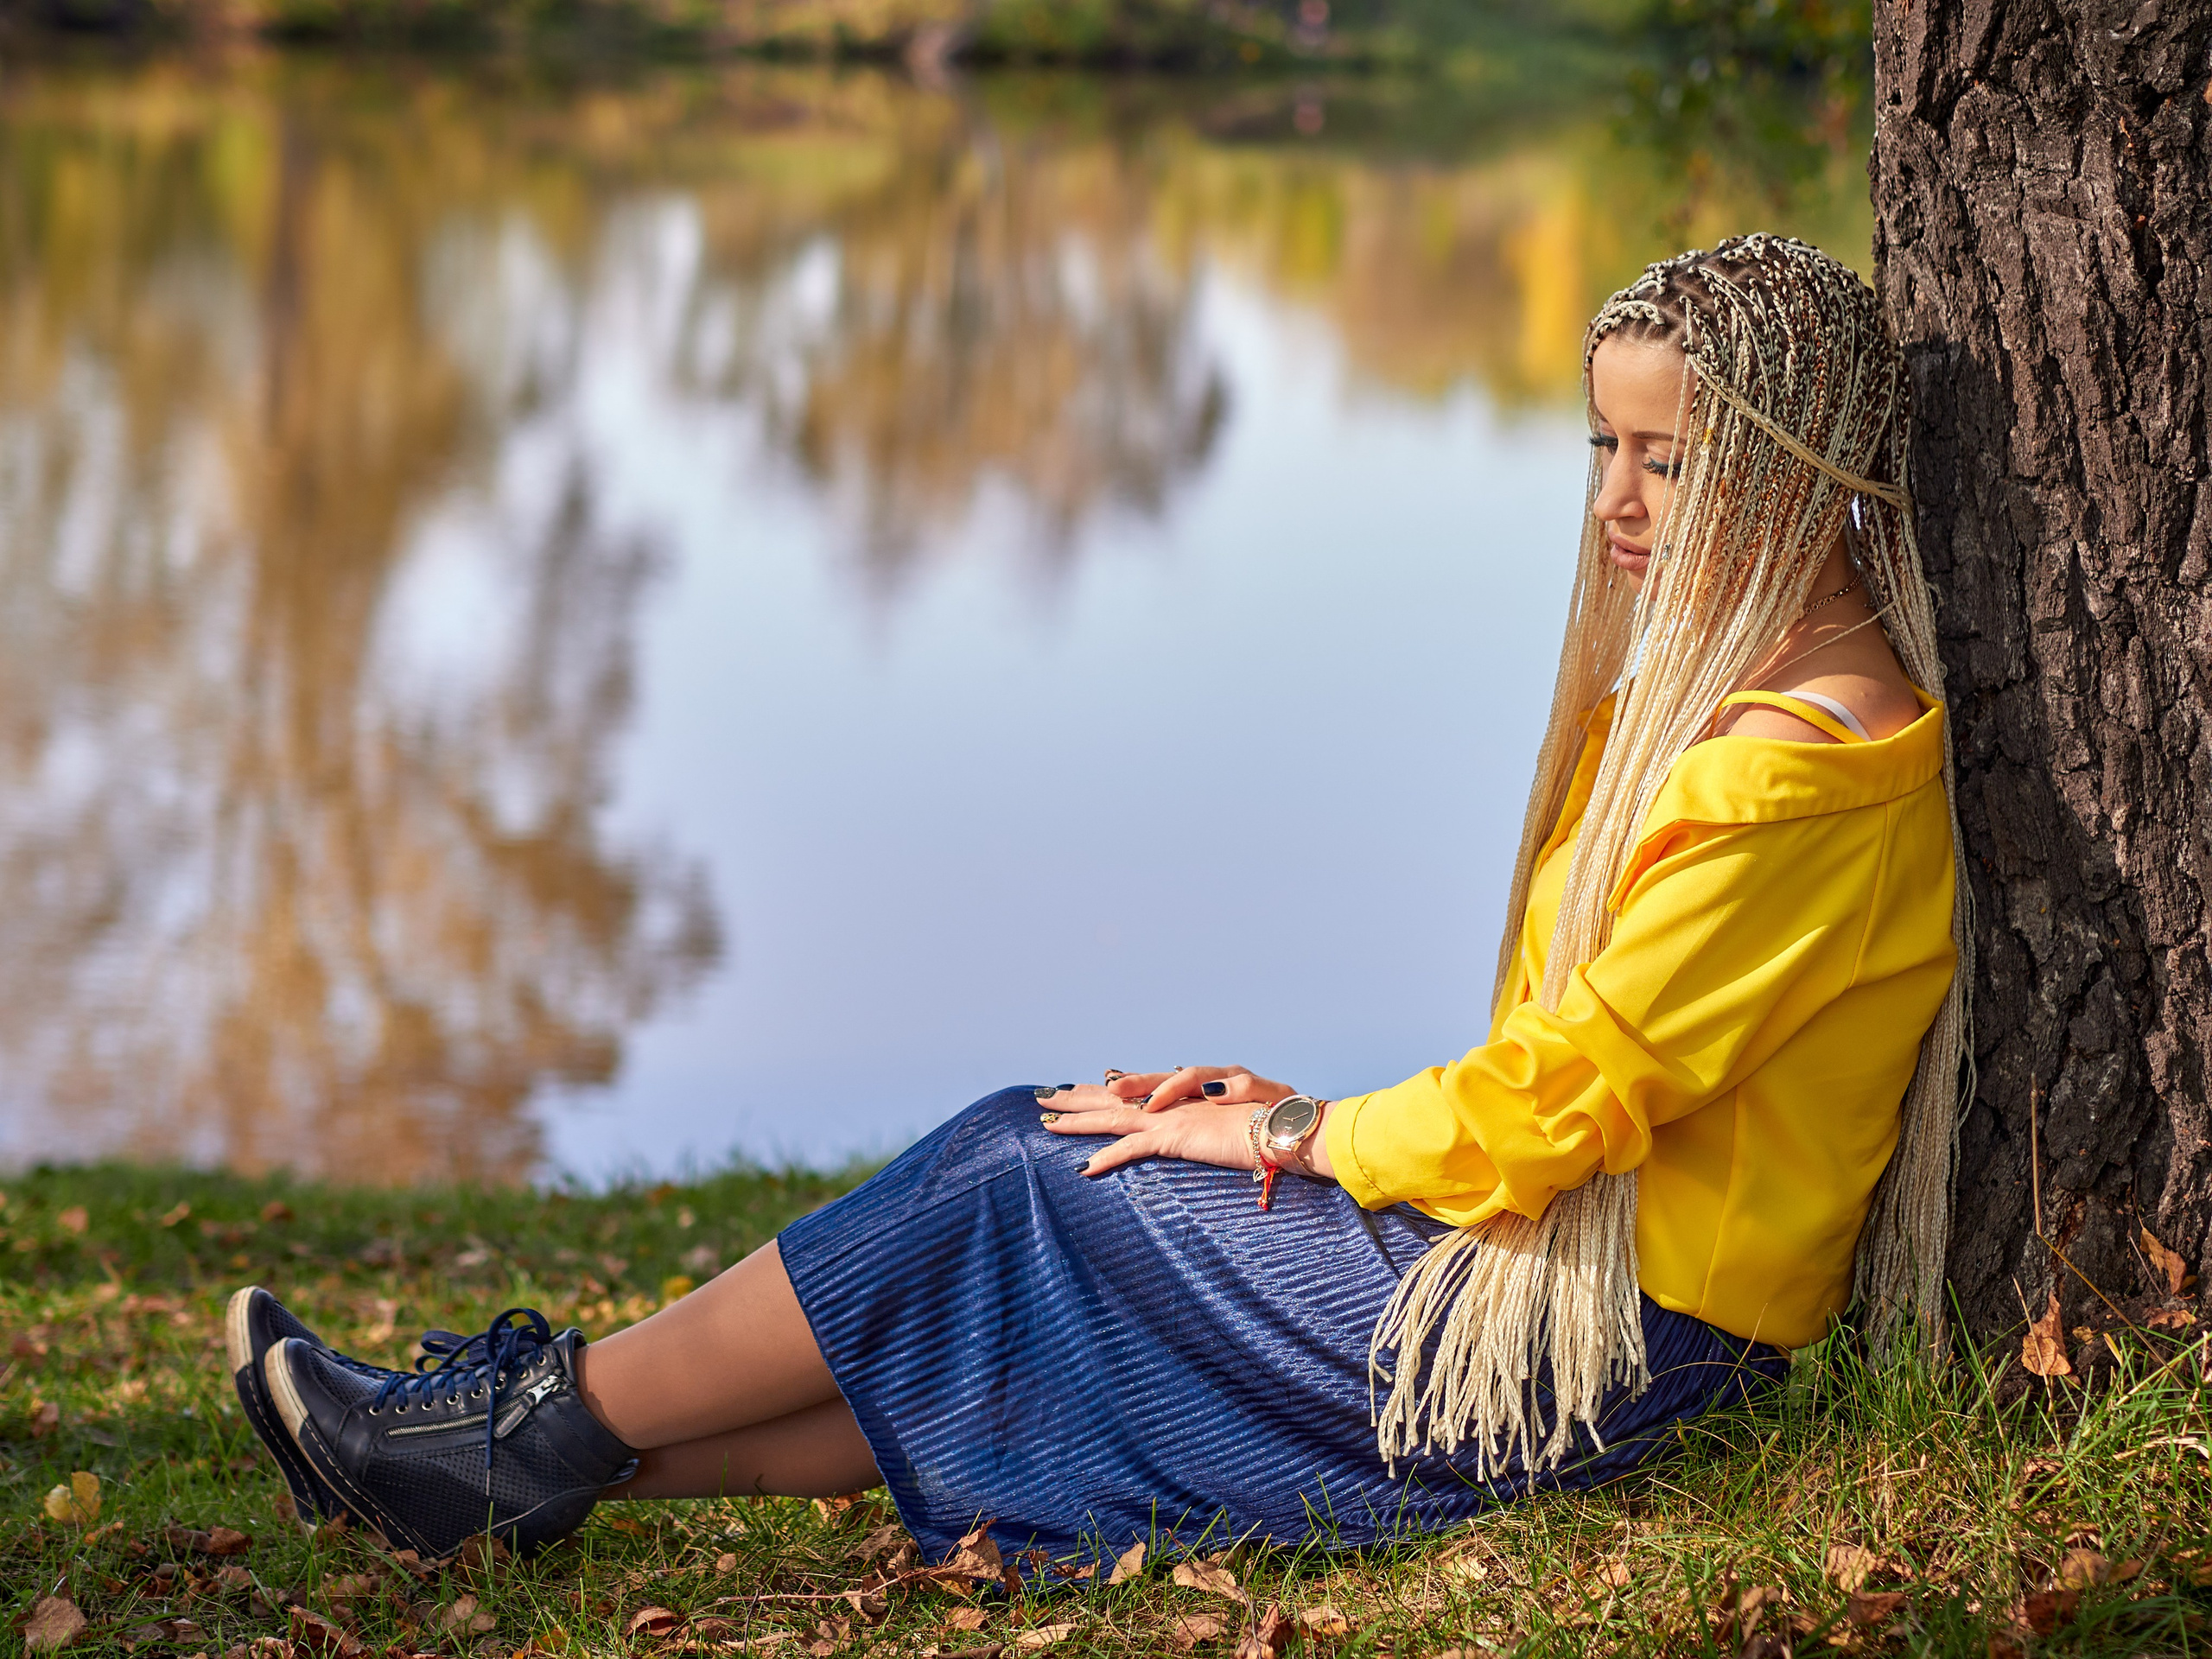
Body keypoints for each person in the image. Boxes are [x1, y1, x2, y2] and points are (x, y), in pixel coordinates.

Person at [225, 233, 1967, 1572]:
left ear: (1792, 463)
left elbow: (1565, 1099)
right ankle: (490, 1474)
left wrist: (1287, 1133)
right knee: (1035, 1205)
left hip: (1609, 1363)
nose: (1611, 503)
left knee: (1015, 1170)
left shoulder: (1792, 773)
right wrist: (1274, 1115)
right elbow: (1581, 1081)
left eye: (1665, 458)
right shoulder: (1747, 722)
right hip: (1591, 1294)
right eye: (1601, 443)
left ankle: (502, 1436)